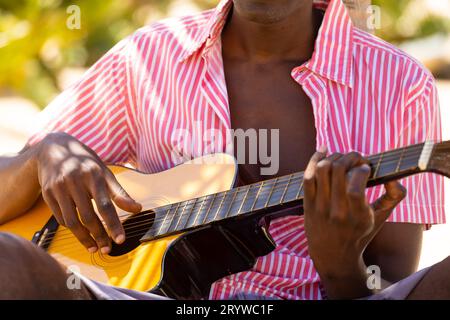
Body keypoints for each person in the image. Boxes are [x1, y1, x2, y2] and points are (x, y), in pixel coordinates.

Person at [0, 0, 448, 300]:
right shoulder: (147, 58)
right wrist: (43, 156)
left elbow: (392, 285)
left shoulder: (400, 84)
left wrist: (340, 266)